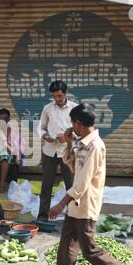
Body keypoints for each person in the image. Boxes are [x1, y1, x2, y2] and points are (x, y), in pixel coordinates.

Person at [49, 104, 133, 265]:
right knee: (65, 252)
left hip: (86, 206)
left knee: (90, 251)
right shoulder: (82, 143)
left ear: (78, 123)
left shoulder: (96, 146)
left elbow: (83, 181)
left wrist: (61, 204)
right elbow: (72, 165)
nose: (72, 127)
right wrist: (69, 143)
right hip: (75, 207)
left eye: (72, 123)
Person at [38, 80, 77, 221]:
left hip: (68, 151)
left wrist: (68, 137)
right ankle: (42, 216)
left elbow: (80, 131)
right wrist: (45, 135)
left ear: (65, 93)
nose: (57, 99)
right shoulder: (48, 108)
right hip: (49, 151)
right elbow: (41, 127)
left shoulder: (75, 108)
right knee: (46, 185)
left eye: (59, 96)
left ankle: (73, 216)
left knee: (71, 185)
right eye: (54, 96)